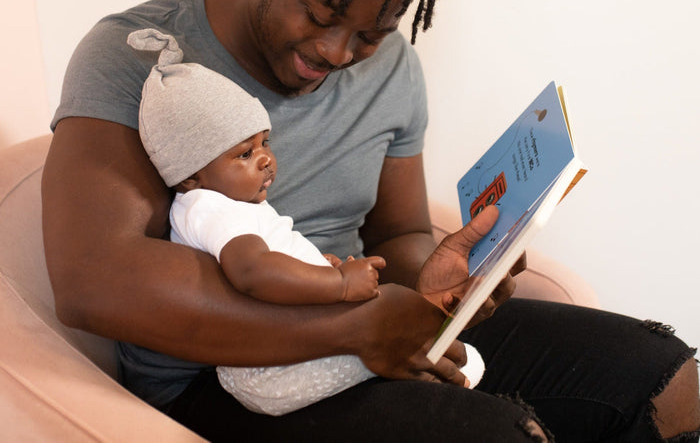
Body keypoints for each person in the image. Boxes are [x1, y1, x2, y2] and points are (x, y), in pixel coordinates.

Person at [42, 0, 699, 441]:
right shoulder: (139, 55)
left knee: (663, 377)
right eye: (322, 16)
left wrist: (439, 277)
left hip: (363, 322)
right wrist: (350, 328)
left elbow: (401, 231)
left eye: (369, 34)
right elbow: (96, 282)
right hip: (222, 379)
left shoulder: (392, 70)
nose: (336, 54)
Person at [126, 26, 487, 415]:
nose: (265, 158)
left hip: (283, 354)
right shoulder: (209, 207)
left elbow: (272, 264)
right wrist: (338, 284)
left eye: (265, 142)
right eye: (244, 154)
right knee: (442, 356)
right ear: (189, 175)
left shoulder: (230, 203)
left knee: (417, 341)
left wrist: (315, 268)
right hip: (269, 369)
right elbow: (253, 271)